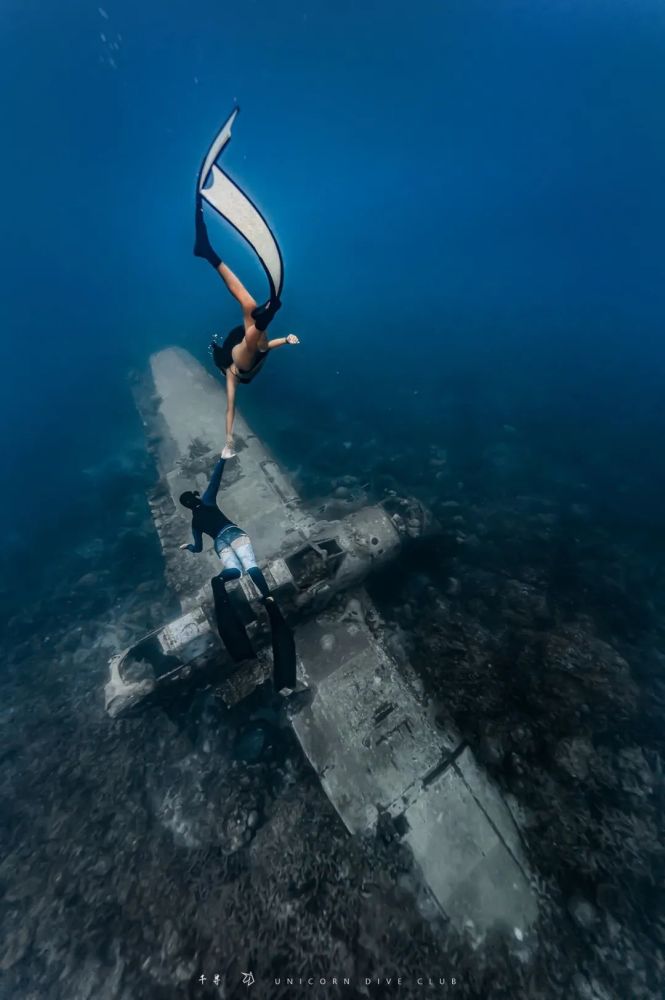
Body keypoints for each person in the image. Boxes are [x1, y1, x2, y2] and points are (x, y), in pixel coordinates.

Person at [179, 453, 296, 690]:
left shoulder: (195, 523)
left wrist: (188, 547)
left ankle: (220, 581)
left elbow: (199, 547)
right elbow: (215, 480)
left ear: (186, 507)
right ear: (196, 497)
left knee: (234, 570)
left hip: (220, 543)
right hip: (232, 533)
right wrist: (223, 459)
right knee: (251, 565)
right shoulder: (209, 501)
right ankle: (268, 597)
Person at [194, 199, 300, 458]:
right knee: (250, 306)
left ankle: (269, 313)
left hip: (241, 354)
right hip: (252, 347)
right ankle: (207, 251)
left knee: (254, 342)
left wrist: (228, 440)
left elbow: (230, 407)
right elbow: (268, 346)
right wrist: (285, 340)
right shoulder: (262, 349)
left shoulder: (232, 375)